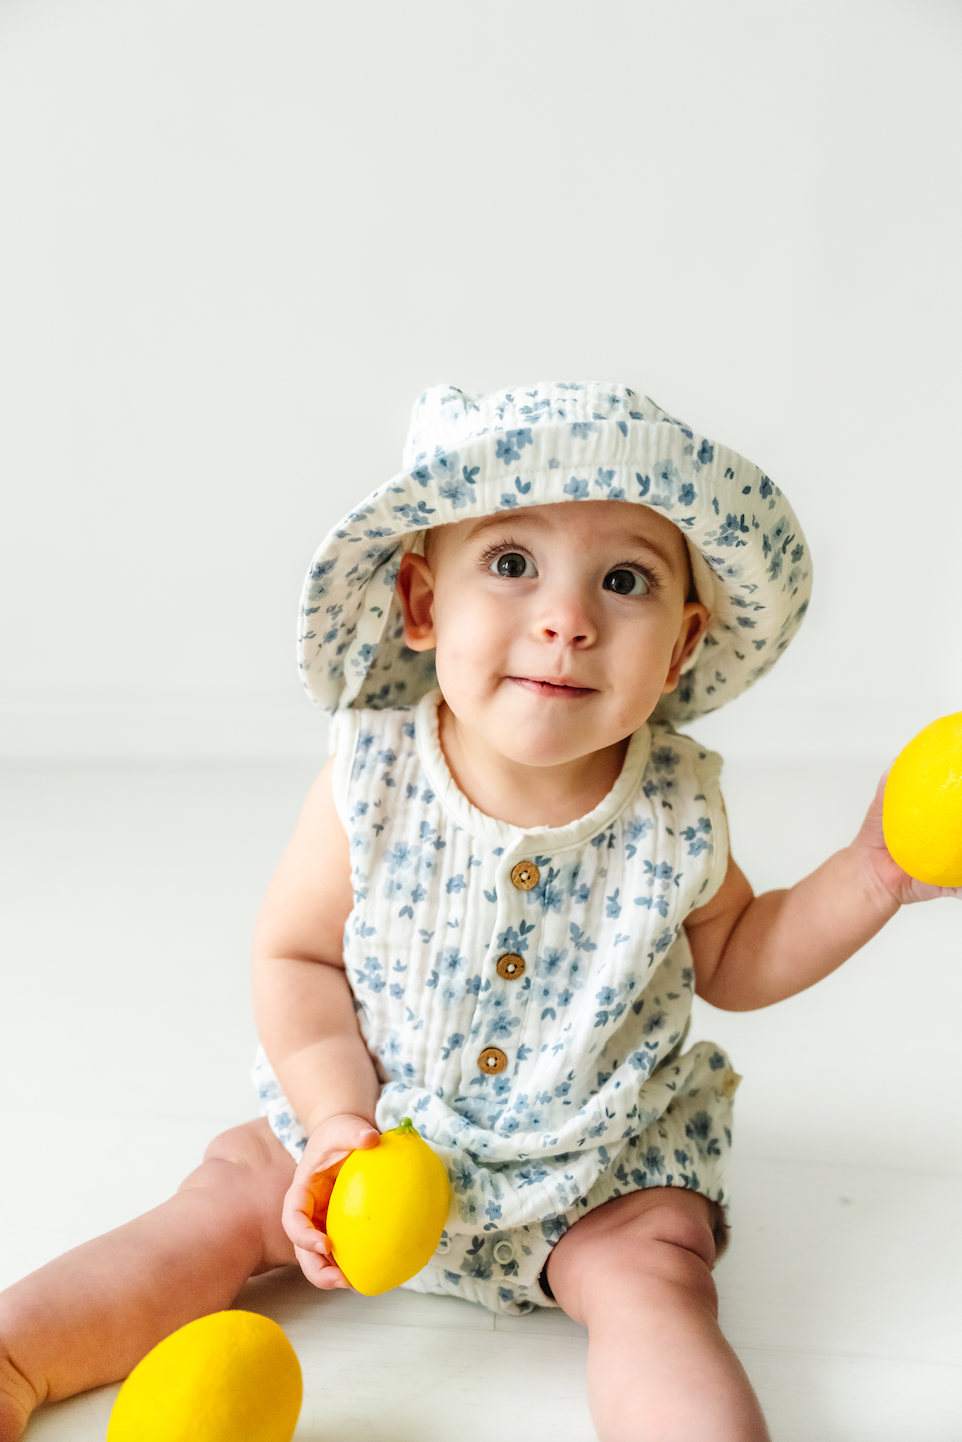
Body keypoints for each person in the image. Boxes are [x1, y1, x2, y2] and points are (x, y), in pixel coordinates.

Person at [1, 383, 956, 1442]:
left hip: (593, 1169)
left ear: (681, 645)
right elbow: (297, 959)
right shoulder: (371, 778)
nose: (567, 619)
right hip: (368, 1133)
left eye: (624, 580)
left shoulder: (675, 806)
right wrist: (334, 1119)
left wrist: (870, 873)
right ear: (422, 604)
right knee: (222, 1199)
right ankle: (17, 1354)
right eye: (509, 563)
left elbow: (735, 953)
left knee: (656, 1271)